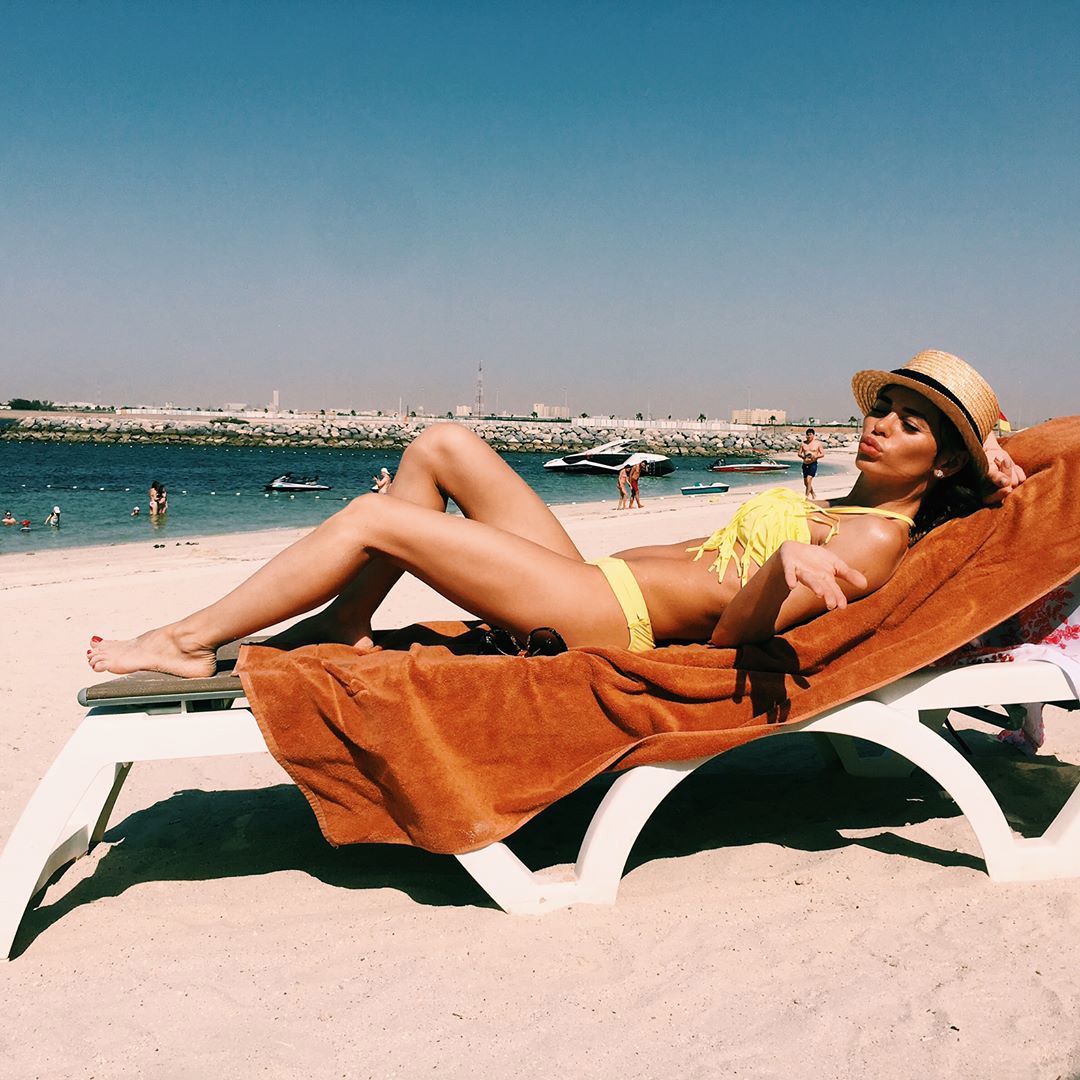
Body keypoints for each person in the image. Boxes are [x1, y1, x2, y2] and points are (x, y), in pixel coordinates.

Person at [87, 351, 1025, 679]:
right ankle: (346, 621)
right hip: (592, 581)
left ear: (940, 459)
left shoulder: (870, 540)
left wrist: (782, 570)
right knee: (443, 444)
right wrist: (991, 456)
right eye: (881, 410)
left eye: (909, 425)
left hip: (607, 621)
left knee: (374, 519)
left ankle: (184, 639)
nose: (878, 426)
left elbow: (733, 640)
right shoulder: (846, 500)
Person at [799, 428, 825, 499]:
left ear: (813, 435)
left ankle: (806, 497)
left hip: (813, 463)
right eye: (808, 435)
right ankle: (813, 493)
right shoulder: (803, 444)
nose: (809, 436)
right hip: (805, 464)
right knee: (806, 483)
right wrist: (803, 457)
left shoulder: (817, 444)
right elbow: (799, 453)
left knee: (808, 480)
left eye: (810, 434)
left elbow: (822, 454)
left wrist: (815, 456)